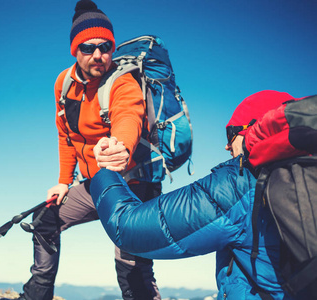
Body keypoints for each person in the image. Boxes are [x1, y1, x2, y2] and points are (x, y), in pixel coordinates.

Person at [90, 90, 302, 300]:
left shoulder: (241, 183)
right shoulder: (305, 176)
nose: (227, 145)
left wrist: (103, 172)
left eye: (231, 134)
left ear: (253, 129)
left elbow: (127, 228)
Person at [20, 1, 162, 299]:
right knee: (45, 221)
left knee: (132, 262)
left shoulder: (123, 80)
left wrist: (120, 145)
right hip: (94, 184)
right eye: (88, 47)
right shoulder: (64, 84)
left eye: (105, 46)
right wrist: (62, 181)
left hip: (133, 185)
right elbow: (66, 136)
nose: (98, 54)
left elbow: (129, 115)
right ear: (75, 50)